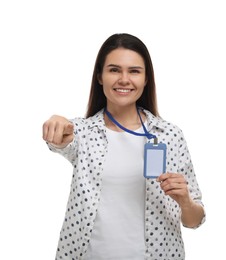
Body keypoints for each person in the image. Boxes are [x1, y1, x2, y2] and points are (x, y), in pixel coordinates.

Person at [42, 33, 205, 260]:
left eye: (134, 71)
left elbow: (194, 221)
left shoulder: (169, 135)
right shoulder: (82, 132)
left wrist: (185, 201)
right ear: (100, 76)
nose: (124, 79)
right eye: (114, 70)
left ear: (146, 79)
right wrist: (57, 126)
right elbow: (62, 141)